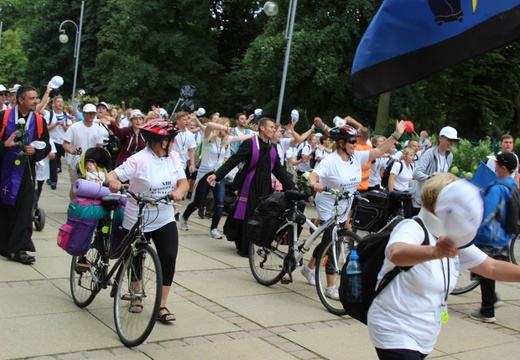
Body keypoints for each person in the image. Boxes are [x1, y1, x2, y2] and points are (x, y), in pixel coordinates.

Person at [368, 173, 520, 359]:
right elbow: (396, 253)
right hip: (394, 326)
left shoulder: (452, 238)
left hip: (424, 332)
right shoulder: (413, 227)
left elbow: (492, 267)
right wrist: (435, 252)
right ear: (438, 204)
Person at [300, 121, 406, 297]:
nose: (355, 145)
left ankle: (308, 267)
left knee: (329, 237)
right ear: (341, 143)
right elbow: (314, 174)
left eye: (355, 141)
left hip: (344, 203)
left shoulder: (356, 156)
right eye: (351, 141)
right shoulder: (330, 161)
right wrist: (314, 183)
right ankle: (331, 285)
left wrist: (396, 135)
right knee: (334, 239)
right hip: (327, 203)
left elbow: (379, 151)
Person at [107, 120, 189, 322]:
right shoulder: (140, 159)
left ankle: (161, 306)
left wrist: (178, 192)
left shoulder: (173, 157)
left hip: (164, 216)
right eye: (171, 140)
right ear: (162, 142)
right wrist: (113, 181)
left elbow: (183, 182)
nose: (173, 143)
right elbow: (113, 174)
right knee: (136, 258)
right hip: (138, 216)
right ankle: (135, 296)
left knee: (169, 257)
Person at [206, 117, 296, 257]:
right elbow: (233, 161)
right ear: (262, 128)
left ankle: (256, 242)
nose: (274, 130)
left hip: (266, 187)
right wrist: (217, 175)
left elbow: (278, 169)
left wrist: (291, 185)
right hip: (250, 185)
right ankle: (245, 247)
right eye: (271, 127)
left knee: (262, 216)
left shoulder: (272, 147)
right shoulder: (250, 144)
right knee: (248, 215)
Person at [0, 85, 51, 264]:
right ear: (20, 100)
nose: (35, 101)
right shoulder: (4, 117)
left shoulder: (38, 121)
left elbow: (46, 144)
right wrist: (4, 145)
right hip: (4, 171)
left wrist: (34, 151)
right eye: (31, 98)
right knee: (5, 209)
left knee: (24, 210)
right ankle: (5, 245)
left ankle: (20, 248)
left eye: (36, 98)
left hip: (26, 173)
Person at [180, 117, 254, 238]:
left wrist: (255, 134)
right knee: (199, 202)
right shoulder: (209, 137)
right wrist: (223, 127)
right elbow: (208, 125)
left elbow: (242, 137)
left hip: (218, 174)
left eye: (228, 126)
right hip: (205, 173)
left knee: (220, 202)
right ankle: (184, 217)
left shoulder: (227, 140)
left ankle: (213, 228)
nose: (227, 128)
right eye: (225, 126)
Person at [471, 152, 518, 323]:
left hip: (489, 236)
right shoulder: (512, 185)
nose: (495, 167)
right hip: (503, 236)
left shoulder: (497, 188)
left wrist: (473, 225)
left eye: (497, 164)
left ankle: (487, 310)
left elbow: (485, 212)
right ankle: (491, 300)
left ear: (503, 167)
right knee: (489, 270)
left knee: (485, 271)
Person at [410, 126, 458, 216]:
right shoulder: (429, 153)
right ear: (440, 138)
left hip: (435, 202)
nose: (452, 143)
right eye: (449, 140)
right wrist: (431, 178)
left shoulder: (450, 156)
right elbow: (416, 173)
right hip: (421, 200)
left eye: (454, 141)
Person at [62, 104, 104, 200]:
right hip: (74, 161)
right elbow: (65, 144)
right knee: (75, 184)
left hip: (90, 162)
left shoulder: (98, 129)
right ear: (84, 114)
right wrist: (72, 151)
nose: (91, 116)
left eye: (93, 113)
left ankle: (85, 205)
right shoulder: (74, 127)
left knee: (89, 184)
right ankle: (73, 205)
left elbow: (99, 146)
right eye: (89, 113)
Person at [45, 95, 73, 189]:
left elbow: (70, 129)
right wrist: (55, 124)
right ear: (54, 103)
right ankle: (53, 181)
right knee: (53, 161)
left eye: (61, 101)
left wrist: (63, 126)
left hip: (63, 141)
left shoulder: (66, 115)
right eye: (58, 101)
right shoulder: (50, 114)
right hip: (52, 141)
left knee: (69, 159)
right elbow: (45, 129)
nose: (60, 103)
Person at [388, 147, 415, 218]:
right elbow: (391, 179)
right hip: (396, 192)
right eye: (411, 155)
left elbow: (413, 178)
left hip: (405, 192)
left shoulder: (411, 166)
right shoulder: (398, 165)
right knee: (395, 214)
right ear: (405, 156)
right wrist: (392, 192)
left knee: (409, 213)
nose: (413, 157)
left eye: (414, 155)